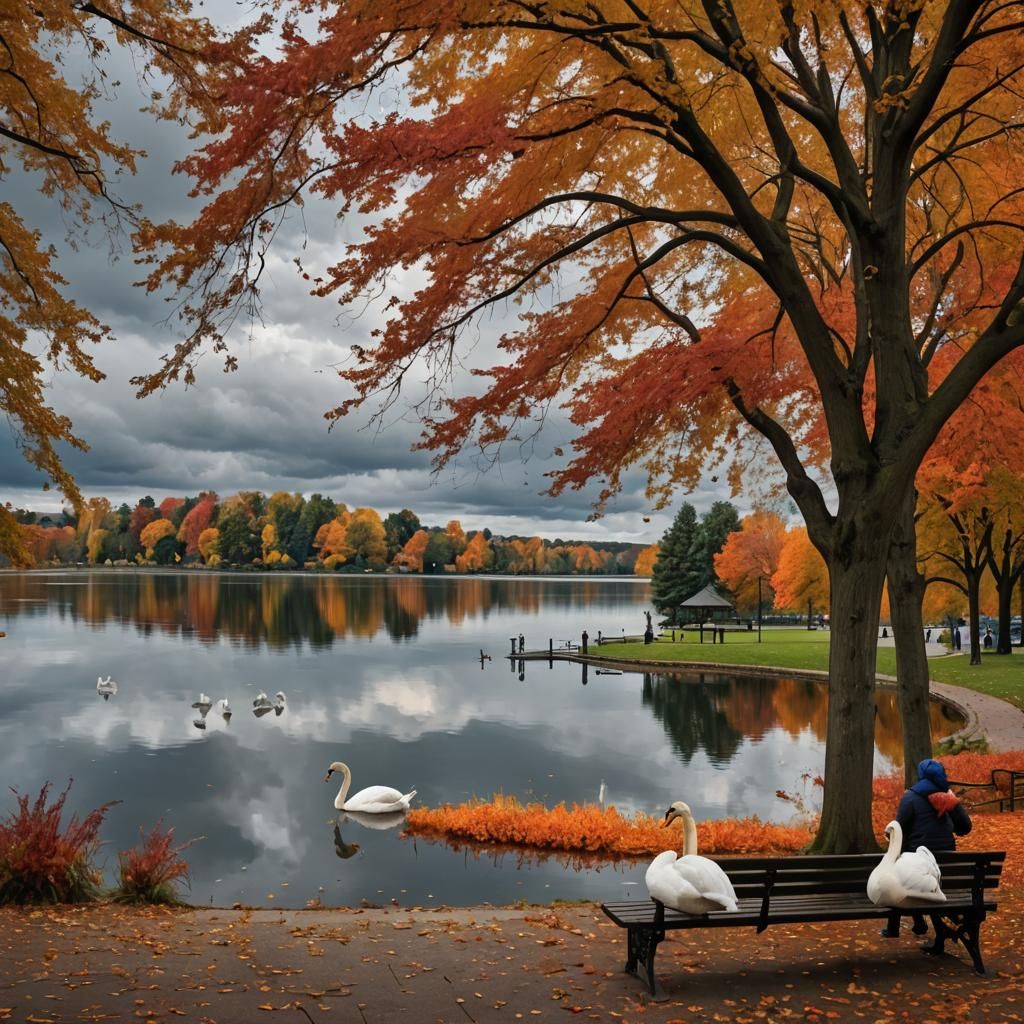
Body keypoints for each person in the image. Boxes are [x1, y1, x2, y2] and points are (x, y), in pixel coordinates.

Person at [894, 758, 972, 935]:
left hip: (918, 867)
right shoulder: (948, 798)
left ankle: (914, 922)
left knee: (903, 868)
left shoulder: (910, 797)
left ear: (921, 775)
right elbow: (965, 827)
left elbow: (899, 829)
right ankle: (943, 918)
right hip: (946, 868)